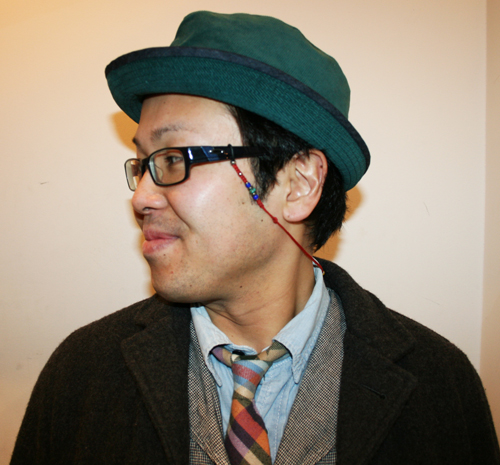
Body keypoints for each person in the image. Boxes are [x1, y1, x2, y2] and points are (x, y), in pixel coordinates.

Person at [10, 11, 500, 465]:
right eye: (142, 165)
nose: (141, 197)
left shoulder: (440, 388)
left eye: (174, 159)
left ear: (299, 183)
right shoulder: (83, 376)